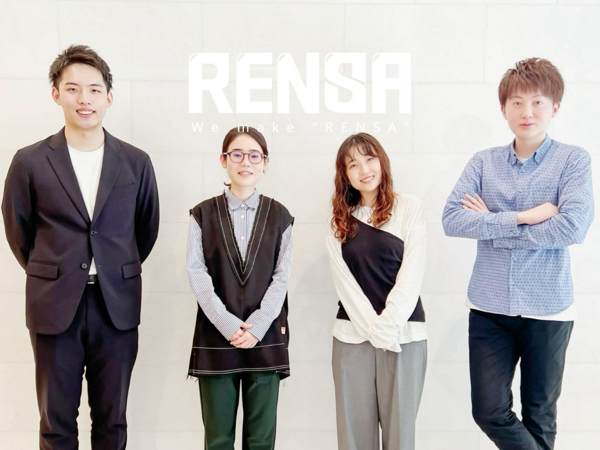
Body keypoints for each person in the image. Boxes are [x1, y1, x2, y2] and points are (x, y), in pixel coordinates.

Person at [1, 45, 160, 449]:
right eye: (72, 89)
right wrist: (54, 268)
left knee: (113, 422)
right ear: (57, 94)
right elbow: (19, 231)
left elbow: (145, 230)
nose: (83, 99)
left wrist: (110, 266)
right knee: (56, 422)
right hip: (53, 304)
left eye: (94, 89)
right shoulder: (29, 161)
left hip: (116, 305)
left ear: (109, 96)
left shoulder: (136, 162)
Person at [442, 58, 594, 450]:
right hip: (489, 307)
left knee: (540, 415)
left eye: (538, 102)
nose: (527, 112)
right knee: (489, 411)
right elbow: (452, 220)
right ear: (503, 109)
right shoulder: (483, 162)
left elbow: (572, 227)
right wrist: (524, 217)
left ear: (555, 107)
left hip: (548, 309)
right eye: (517, 103)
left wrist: (491, 224)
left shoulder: (573, 160)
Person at [186, 126, 293, 450]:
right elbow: (196, 271)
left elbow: (282, 277)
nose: (245, 162)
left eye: (254, 155)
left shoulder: (280, 216)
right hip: (216, 337)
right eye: (237, 154)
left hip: (266, 337)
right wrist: (228, 324)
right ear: (223, 160)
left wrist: (257, 326)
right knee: (217, 440)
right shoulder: (202, 214)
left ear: (265, 162)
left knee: (261, 440)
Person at [326, 133, 427, 450]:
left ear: (381, 161)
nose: (364, 170)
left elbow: (412, 274)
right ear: (345, 174)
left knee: (400, 438)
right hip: (351, 337)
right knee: (353, 439)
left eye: (369, 159)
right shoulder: (339, 221)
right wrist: (375, 329)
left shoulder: (408, 207)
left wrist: (388, 327)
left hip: (404, 336)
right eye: (353, 165)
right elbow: (345, 286)